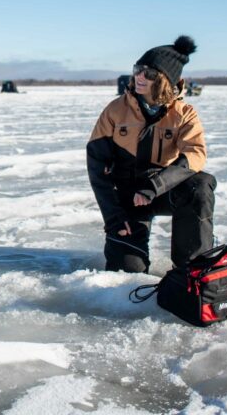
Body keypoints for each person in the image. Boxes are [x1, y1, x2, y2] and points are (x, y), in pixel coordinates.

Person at [86, 36, 215, 273]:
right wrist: (114, 217)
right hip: (128, 196)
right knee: (126, 274)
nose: (140, 77)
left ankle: (192, 267)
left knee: (200, 184)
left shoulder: (184, 113)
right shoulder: (116, 110)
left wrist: (155, 185)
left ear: (166, 80)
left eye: (149, 73)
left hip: (163, 189)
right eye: (138, 70)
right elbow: (97, 166)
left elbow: (195, 155)